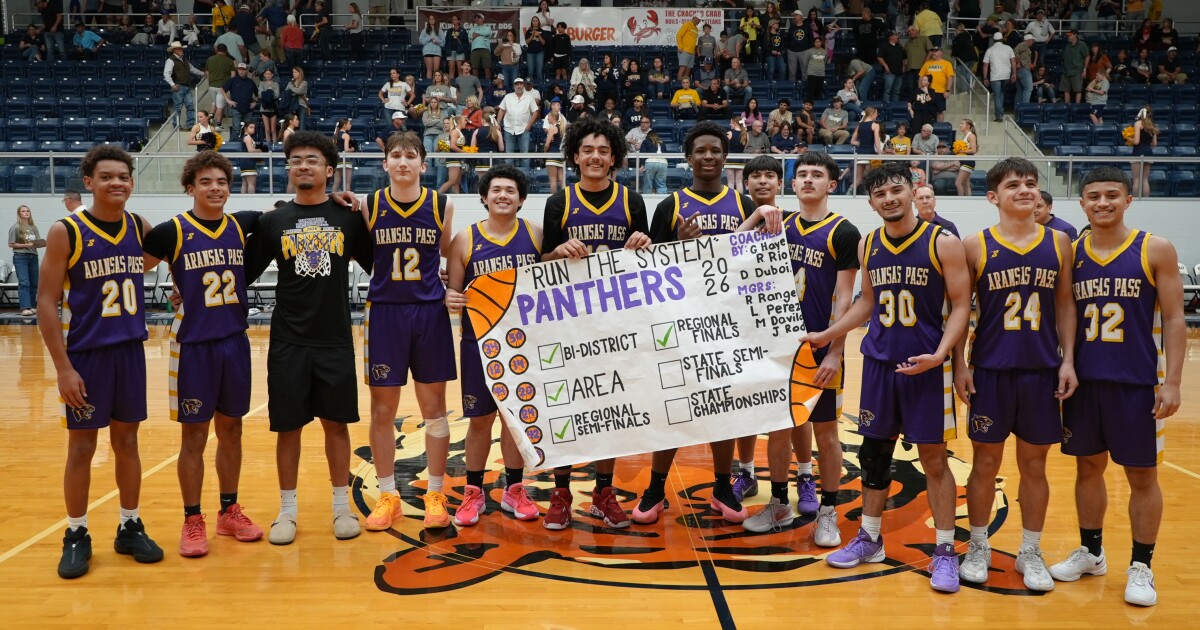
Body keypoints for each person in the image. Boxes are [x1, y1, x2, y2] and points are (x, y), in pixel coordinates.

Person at [802, 161, 971, 593]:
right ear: (871, 202)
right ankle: (869, 539)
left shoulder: (944, 242)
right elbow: (867, 304)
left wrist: (940, 355)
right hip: (879, 363)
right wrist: (829, 332)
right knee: (875, 455)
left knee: (934, 459)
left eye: (896, 190)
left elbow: (961, 307)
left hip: (926, 368)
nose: (889, 199)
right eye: (879, 194)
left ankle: (946, 551)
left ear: (913, 191)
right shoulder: (869, 243)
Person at [1047, 166, 1184, 608]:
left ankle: (1142, 565)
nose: (1102, 203)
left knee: (1142, 476)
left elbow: (1176, 319)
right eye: (1093, 196)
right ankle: (1092, 552)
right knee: (1088, 469)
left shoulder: (1155, 248)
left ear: (1128, 200)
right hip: (1084, 383)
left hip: (1136, 383)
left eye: (1111, 195)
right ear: (1081, 203)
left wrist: (1173, 382)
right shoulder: (1071, 252)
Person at [242, 131, 373, 545]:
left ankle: (341, 508)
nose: (303, 165)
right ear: (288, 167)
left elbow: (382, 270)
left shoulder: (349, 217)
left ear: (329, 170)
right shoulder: (272, 221)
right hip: (288, 341)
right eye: (296, 159)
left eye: (312, 160)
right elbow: (239, 273)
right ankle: (287, 511)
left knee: (337, 426)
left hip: (334, 339)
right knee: (289, 429)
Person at [38, 146, 164, 579]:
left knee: (128, 444)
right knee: (82, 448)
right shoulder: (65, 230)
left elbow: (155, 260)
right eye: (107, 176)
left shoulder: (138, 226)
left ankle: (129, 525)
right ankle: (76, 534)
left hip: (129, 351)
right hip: (86, 357)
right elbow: (46, 302)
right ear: (88, 182)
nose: (117, 183)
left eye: (124, 177)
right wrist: (63, 368)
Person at [953, 158, 1077, 591]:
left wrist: (1068, 360)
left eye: (1030, 183)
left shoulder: (1061, 242)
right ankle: (979, 544)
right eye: (1012, 185)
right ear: (993, 197)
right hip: (990, 369)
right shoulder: (974, 245)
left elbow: (1065, 305)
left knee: (1035, 467)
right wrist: (960, 366)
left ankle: (1030, 549)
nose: (1024, 190)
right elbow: (960, 312)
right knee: (985, 463)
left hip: (1042, 371)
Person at [636, 121, 764, 525]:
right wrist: (677, 246)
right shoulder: (669, 206)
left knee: (724, 409)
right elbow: (647, 269)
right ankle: (656, 486)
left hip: (730, 325)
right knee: (673, 408)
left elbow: (758, 266)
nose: (708, 157)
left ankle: (722, 484)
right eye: (701, 151)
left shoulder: (745, 206)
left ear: (725, 158)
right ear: (688, 158)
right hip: (679, 325)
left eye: (715, 150)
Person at [140, 152, 264, 557]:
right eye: (206, 182)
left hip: (235, 341)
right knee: (193, 435)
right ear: (190, 188)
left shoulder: (242, 224)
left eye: (222, 182)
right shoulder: (171, 231)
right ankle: (192, 520)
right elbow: (129, 266)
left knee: (232, 430)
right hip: (193, 345)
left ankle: (229, 511)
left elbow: (288, 213)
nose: (215, 188)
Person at [738, 153, 860, 541]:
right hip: (777, 346)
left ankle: (827, 511)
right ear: (792, 184)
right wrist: (758, 215)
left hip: (820, 347)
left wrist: (837, 351)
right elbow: (734, 254)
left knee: (825, 432)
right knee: (777, 430)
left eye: (817, 175)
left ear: (832, 185)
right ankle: (778, 504)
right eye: (802, 175)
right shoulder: (779, 223)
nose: (808, 180)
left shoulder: (844, 231)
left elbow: (845, 298)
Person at [539, 117, 652, 529]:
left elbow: (650, 264)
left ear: (614, 158)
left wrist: (645, 243)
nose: (595, 156)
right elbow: (540, 265)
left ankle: (604, 492)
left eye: (604, 150)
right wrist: (556, 252)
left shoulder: (632, 201)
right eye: (588, 149)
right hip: (570, 325)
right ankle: (561, 492)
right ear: (574, 156)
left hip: (618, 325)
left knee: (613, 411)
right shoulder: (559, 202)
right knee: (567, 412)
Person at [356, 131, 458, 532]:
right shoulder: (368, 205)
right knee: (383, 410)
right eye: (395, 155)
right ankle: (388, 494)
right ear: (385, 164)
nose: (402, 162)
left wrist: (452, 284)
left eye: (410, 156)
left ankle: (434, 492)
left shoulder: (441, 204)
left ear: (423, 164)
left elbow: (448, 252)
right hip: (384, 314)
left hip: (429, 313)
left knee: (434, 408)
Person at [444, 165, 542, 527]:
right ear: (484, 198)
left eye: (511, 191)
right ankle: (474, 491)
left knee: (514, 420)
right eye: (496, 190)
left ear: (521, 200)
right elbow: (453, 291)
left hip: (522, 344)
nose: (503, 195)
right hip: (477, 345)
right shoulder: (465, 239)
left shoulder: (535, 234)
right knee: (479, 421)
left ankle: (514, 490)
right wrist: (450, 298)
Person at [8, 205, 44, 316]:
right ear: (19, 214)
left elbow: (36, 242)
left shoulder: (33, 227)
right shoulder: (16, 227)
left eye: (28, 211)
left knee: (34, 283)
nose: (26, 213)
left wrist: (41, 243)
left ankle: (32, 306)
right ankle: (25, 307)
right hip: (21, 257)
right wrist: (26, 244)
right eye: (23, 211)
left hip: (33, 256)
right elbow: (11, 244)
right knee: (24, 282)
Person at [498, 77, 540, 168]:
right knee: (509, 155)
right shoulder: (508, 97)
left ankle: (525, 177)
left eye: (521, 84)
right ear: (514, 86)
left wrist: (528, 126)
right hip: (509, 128)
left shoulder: (529, 97)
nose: (519, 86)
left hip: (524, 129)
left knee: (524, 155)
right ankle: (509, 176)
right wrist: (497, 123)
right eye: (517, 84)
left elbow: (535, 112)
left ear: (523, 85)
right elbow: (501, 110)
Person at [982, 32, 1016, 122]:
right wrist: (1014, 74)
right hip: (1006, 75)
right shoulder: (1008, 48)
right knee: (1001, 94)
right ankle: (1000, 112)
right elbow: (1013, 62)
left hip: (995, 75)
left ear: (993, 40)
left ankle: (999, 116)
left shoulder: (990, 50)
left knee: (997, 95)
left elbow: (985, 65)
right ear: (1002, 39)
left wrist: (985, 78)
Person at [918, 49, 954, 122]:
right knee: (924, 110)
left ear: (940, 53)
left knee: (939, 111)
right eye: (932, 51)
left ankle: (939, 129)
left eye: (935, 51)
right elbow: (921, 76)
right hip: (926, 91)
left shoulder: (947, 63)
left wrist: (947, 90)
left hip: (940, 91)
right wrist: (919, 89)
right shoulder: (927, 64)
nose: (933, 53)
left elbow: (950, 77)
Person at [1130, 105, 1157, 197]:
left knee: (1136, 179)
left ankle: (1135, 202)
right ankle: (1146, 200)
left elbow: (1136, 141)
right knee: (1145, 179)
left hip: (1138, 152)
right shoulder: (1152, 125)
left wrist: (1129, 139)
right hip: (1149, 152)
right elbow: (1154, 143)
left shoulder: (1138, 123)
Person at [542, 101, 567, 195]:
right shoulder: (561, 128)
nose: (547, 118)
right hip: (560, 154)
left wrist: (544, 153)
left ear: (552, 117)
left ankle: (554, 199)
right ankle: (565, 197)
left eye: (548, 116)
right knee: (561, 180)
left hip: (552, 154)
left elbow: (547, 145)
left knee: (552, 180)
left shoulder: (552, 128)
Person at [1059, 30, 1088, 103]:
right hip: (1066, 71)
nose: (1068, 37)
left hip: (1077, 71)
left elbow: (1087, 56)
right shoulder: (1067, 46)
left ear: (1075, 35)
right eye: (1067, 35)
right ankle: (1067, 106)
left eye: (1070, 35)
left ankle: (1077, 107)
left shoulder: (1082, 44)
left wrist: (1084, 70)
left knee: (1078, 90)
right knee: (1066, 90)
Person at [878, 30, 905, 104]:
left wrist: (903, 67)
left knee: (897, 91)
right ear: (891, 37)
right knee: (887, 90)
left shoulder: (899, 46)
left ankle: (895, 106)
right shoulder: (884, 46)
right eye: (896, 35)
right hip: (889, 72)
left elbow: (903, 58)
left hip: (899, 72)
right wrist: (886, 66)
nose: (897, 37)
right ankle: (886, 107)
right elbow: (879, 57)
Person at [955, 118, 978, 197]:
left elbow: (973, 150)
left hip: (968, 161)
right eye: (960, 123)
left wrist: (961, 151)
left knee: (958, 182)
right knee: (966, 183)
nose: (960, 125)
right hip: (964, 161)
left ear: (968, 126)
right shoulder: (965, 136)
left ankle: (960, 200)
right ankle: (968, 200)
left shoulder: (971, 136)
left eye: (962, 124)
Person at [239, 122, 264, 193]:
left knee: (245, 183)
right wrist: (259, 150)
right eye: (251, 127)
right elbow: (250, 150)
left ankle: (243, 200)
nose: (253, 129)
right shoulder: (247, 137)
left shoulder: (246, 136)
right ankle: (251, 199)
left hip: (244, 161)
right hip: (248, 161)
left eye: (254, 128)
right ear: (246, 128)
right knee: (251, 184)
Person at [676, 15, 700, 82]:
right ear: (693, 18)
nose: (697, 21)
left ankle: (685, 84)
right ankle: (679, 85)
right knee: (682, 68)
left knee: (688, 69)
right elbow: (678, 35)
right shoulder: (687, 24)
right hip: (684, 50)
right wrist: (680, 47)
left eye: (699, 20)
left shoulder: (696, 29)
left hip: (692, 52)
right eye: (697, 19)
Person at [524, 17, 546, 83]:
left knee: (539, 71)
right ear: (532, 22)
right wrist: (532, 35)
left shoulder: (542, 31)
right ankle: (529, 88)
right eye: (533, 21)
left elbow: (543, 43)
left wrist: (539, 36)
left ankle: (541, 87)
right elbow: (527, 42)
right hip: (530, 53)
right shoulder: (528, 31)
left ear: (538, 22)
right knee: (530, 71)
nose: (535, 22)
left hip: (540, 52)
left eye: (536, 21)